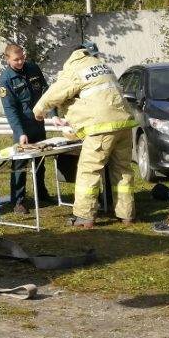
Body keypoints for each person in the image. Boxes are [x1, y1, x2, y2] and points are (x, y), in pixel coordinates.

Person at [33, 42, 137, 229]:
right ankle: (126, 214)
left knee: (89, 171)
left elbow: (55, 93)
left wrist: (39, 110)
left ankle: (84, 216)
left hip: (101, 127)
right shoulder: (102, 66)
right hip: (124, 124)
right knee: (122, 171)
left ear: (72, 55)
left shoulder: (76, 68)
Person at [0, 43, 54, 212]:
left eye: (22, 58)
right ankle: (18, 201)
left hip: (38, 122)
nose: (21, 61)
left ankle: (41, 194)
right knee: (20, 165)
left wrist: (53, 113)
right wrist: (19, 132)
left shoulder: (33, 68)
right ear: (7, 59)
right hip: (22, 127)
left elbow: (46, 91)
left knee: (40, 159)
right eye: (16, 59)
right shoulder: (5, 80)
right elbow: (10, 109)